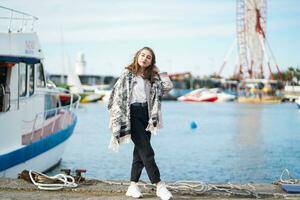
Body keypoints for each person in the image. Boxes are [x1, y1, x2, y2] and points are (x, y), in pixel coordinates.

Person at [108, 47, 173, 200]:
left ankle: (132, 186)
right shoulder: (127, 74)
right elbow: (115, 96)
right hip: (132, 114)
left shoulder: (152, 77)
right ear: (137, 56)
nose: (144, 58)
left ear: (152, 62)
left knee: (140, 153)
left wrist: (159, 72)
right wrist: (118, 117)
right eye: (142, 55)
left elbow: (168, 87)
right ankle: (159, 185)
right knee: (147, 151)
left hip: (148, 116)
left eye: (148, 57)